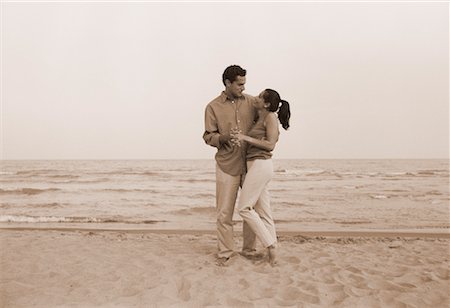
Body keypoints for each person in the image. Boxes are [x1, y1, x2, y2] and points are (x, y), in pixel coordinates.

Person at [203, 65, 259, 265]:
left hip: (252, 164)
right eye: (239, 84)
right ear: (227, 83)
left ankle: (250, 250)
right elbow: (208, 136)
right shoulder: (213, 107)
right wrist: (224, 137)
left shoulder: (253, 102)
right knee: (225, 212)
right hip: (227, 164)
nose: (243, 87)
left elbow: (268, 117)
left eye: (244, 83)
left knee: (250, 210)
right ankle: (226, 252)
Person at [234, 88, 291, 266]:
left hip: (261, 165)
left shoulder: (270, 117)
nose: (256, 98)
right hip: (255, 165)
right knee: (264, 212)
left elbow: (270, 144)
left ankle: (271, 244)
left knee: (244, 208)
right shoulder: (260, 117)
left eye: (260, 97)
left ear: (266, 103)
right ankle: (272, 255)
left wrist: (245, 138)